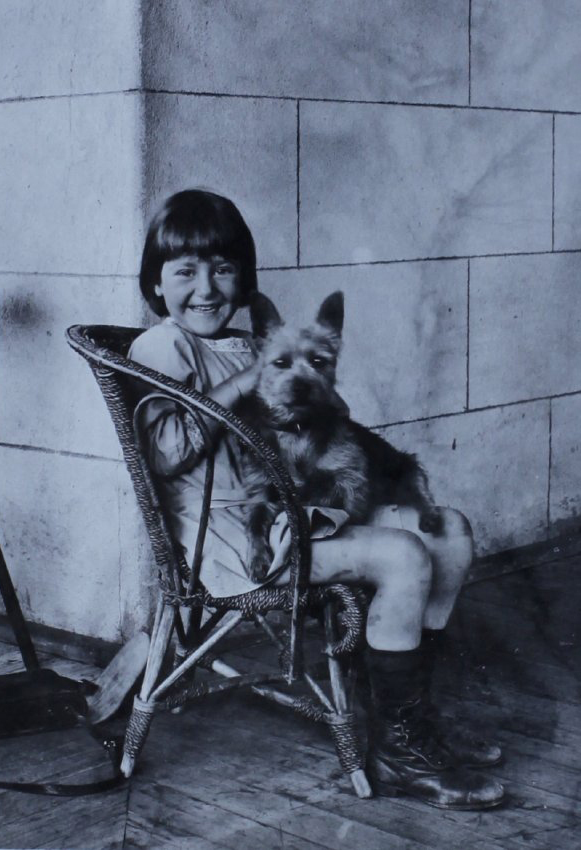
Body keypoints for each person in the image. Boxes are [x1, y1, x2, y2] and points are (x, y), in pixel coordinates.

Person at [129, 189, 505, 810]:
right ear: (156, 282)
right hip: (233, 540)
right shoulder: (162, 346)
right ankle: (401, 750)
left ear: (244, 279)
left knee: (452, 532)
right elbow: (166, 452)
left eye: (222, 269)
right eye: (185, 271)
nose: (206, 288)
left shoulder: (252, 342)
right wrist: (250, 378)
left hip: (296, 514)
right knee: (404, 557)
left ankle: (410, 716)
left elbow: (319, 419)